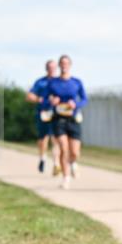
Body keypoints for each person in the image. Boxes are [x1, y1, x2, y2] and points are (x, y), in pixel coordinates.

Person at [47, 55, 87, 189]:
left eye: (66, 63)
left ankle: (73, 162)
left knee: (75, 152)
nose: (64, 66)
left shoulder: (76, 82)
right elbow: (46, 98)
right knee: (63, 148)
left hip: (73, 119)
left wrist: (75, 103)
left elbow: (84, 99)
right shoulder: (53, 83)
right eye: (62, 63)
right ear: (59, 65)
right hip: (59, 119)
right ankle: (66, 178)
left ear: (70, 65)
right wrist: (52, 101)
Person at [27, 60, 60, 174]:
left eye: (54, 68)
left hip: (57, 114)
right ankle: (43, 158)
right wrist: (38, 99)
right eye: (49, 68)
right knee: (43, 139)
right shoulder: (40, 82)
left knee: (56, 139)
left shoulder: (59, 82)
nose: (52, 70)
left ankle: (56, 163)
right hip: (43, 113)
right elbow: (29, 96)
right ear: (46, 68)